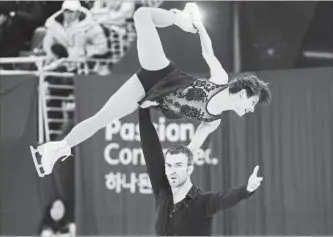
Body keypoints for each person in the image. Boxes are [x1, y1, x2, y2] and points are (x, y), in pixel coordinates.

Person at [30, 3, 271, 177]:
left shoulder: (213, 121)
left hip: (151, 94)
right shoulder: (220, 79)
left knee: (101, 119)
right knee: (142, 14)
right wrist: (196, 25)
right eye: (251, 104)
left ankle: (56, 148)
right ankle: (180, 18)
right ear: (242, 94)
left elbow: (191, 149)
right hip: (162, 73)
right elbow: (208, 52)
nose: (250, 110)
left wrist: (180, 167)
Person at [138, 108, 262, 235]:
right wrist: (143, 110)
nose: (172, 171)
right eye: (169, 166)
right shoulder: (162, 193)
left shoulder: (202, 202)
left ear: (189, 169)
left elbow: (226, 198)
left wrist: (248, 188)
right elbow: (150, 149)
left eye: (178, 165)